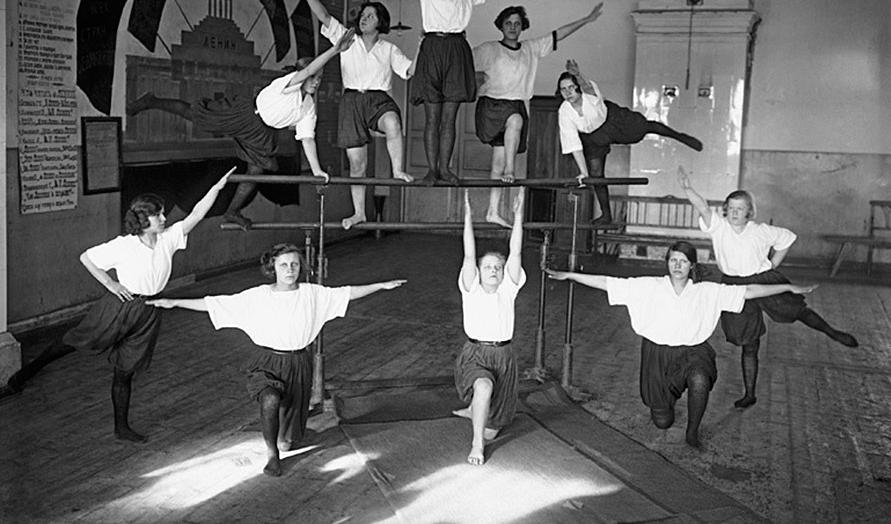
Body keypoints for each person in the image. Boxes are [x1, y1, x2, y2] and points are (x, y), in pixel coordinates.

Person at [3, 168, 236, 442]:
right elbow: (86, 258)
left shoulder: (168, 239)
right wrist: (111, 285)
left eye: (162, 213)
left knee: (125, 370)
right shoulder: (124, 245)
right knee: (71, 343)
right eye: (157, 214)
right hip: (118, 307)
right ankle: (22, 376)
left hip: (150, 310)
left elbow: (197, 213)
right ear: (142, 219)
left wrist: (217, 188)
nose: (163, 218)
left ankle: (121, 427)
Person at [149, 243, 406, 477]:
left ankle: (283, 441)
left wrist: (380, 285)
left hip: (299, 364)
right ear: (272, 268)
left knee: (291, 439)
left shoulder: (313, 293)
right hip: (267, 362)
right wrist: (174, 302)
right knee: (270, 399)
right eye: (283, 264)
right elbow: (215, 304)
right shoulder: (258, 296)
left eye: (295, 264)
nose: (290, 269)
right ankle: (273, 455)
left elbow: (347, 293)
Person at [546, 241, 818, 447]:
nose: (677, 265)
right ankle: (668, 404)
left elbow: (749, 291)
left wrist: (786, 288)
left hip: (694, 352)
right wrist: (571, 275)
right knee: (662, 421)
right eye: (673, 260)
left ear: (692, 266)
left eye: (683, 261)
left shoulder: (706, 291)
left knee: (700, 379)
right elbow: (608, 282)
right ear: (667, 263)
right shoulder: (649, 286)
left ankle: (693, 431)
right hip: (657, 356)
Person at [128, 30, 356, 230]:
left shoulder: (308, 108)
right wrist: (335, 50)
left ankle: (232, 211)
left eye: (320, 78)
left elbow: (307, 139)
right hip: (245, 113)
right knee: (195, 115)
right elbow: (306, 73)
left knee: (255, 172)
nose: (316, 82)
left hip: (261, 134)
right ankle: (152, 101)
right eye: (314, 76)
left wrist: (316, 170)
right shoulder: (287, 84)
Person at [677, 167, 858, 409]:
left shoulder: (761, 231)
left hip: (764, 279)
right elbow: (701, 206)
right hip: (735, 286)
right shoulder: (718, 227)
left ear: (749, 212)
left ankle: (832, 332)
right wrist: (688, 188)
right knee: (750, 345)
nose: (735, 213)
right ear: (725, 211)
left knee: (798, 309)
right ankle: (749, 394)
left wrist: (773, 263)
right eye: (730, 208)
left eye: (740, 209)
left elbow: (787, 239)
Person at [371, 0, 530, 184]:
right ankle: (431, 170)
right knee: (432, 117)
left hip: (457, 49)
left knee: (449, 117)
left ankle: (445, 169)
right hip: (432, 47)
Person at [290, 0, 420, 229]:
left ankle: (397, 171)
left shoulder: (389, 49)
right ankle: (359, 212)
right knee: (357, 164)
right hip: (351, 102)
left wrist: (422, 45)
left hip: (379, 101)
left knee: (393, 124)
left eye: (370, 16)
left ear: (380, 22)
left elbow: (410, 71)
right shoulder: (346, 37)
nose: (364, 19)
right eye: (362, 15)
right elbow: (324, 16)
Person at [473, 2, 604, 226]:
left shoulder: (530, 48)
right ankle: (511, 170)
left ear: (523, 26)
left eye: (517, 23)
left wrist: (586, 20)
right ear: (501, 26)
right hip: (492, 107)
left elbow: (558, 34)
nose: (513, 27)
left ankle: (492, 211)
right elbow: (463, 61)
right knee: (515, 122)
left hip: (516, 104)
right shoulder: (488, 49)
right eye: (508, 23)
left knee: (497, 161)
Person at [557, 60, 703, 226]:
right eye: (563, 89)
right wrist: (584, 173)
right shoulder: (564, 112)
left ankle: (679, 136)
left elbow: (587, 87)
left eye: (570, 87)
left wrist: (577, 74)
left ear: (577, 87)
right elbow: (574, 145)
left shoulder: (587, 96)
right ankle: (606, 215)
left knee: (644, 127)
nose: (568, 92)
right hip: (591, 137)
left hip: (612, 120)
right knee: (595, 175)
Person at [452, 186, 526, 465]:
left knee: (493, 429)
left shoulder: (509, 289)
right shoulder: (471, 289)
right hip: (475, 354)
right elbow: (469, 255)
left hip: (504, 357)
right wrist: (468, 216)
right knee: (483, 386)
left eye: (498, 267)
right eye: (488, 267)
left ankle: (475, 411)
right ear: (479, 272)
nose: (493, 271)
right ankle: (476, 444)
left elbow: (515, 251)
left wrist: (518, 216)